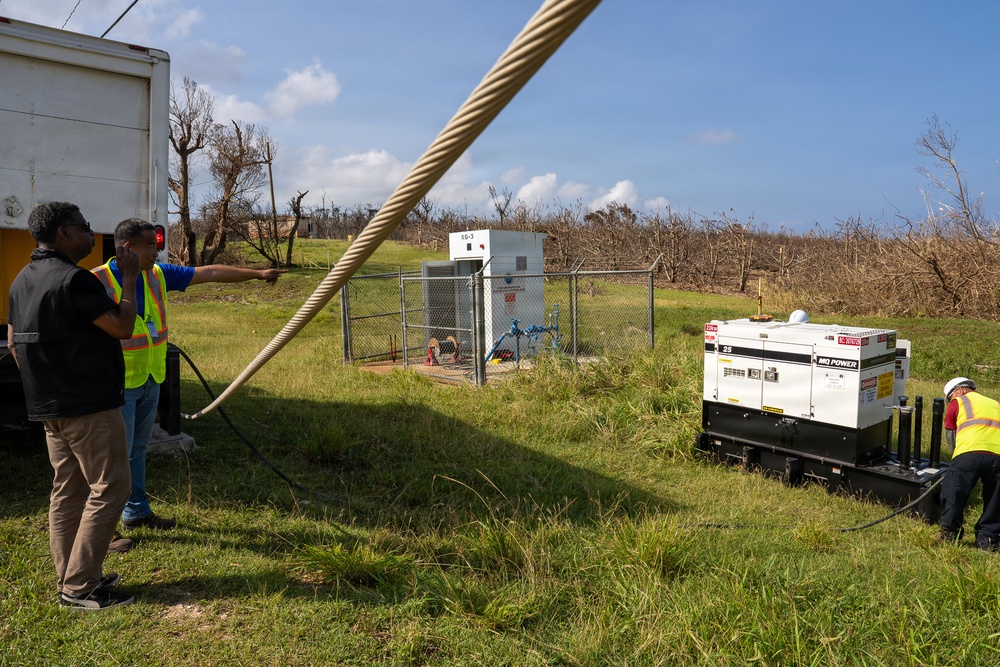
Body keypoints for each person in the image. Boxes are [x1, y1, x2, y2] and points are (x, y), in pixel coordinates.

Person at [92, 218, 283, 531]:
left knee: (137, 451)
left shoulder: (157, 274)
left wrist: (258, 274)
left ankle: (136, 512)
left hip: (150, 379)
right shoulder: (96, 280)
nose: (158, 250)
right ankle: (103, 528)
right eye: (151, 245)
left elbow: (209, 273)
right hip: (116, 385)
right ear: (128, 247)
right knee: (115, 458)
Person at [7, 202, 141, 610]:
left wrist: (48, 383)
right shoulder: (75, 280)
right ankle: (80, 588)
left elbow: (15, 344)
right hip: (88, 407)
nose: (91, 235)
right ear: (64, 233)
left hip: (51, 408)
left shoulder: (20, 281)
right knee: (113, 487)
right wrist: (130, 278)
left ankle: (71, 575)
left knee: (68, 491)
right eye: (85, 227)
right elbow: (121, 326)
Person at [939, 377, 1000, 550]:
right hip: (999, 455)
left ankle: (949, 535)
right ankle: (988, 541)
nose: (950, 400)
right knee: (996, 499)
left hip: (970, 452)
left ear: (958, 390)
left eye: (949, 397)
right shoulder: (995, 403)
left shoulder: (958, 401)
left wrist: (956, 458)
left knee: (954, 492)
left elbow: (951, 433)